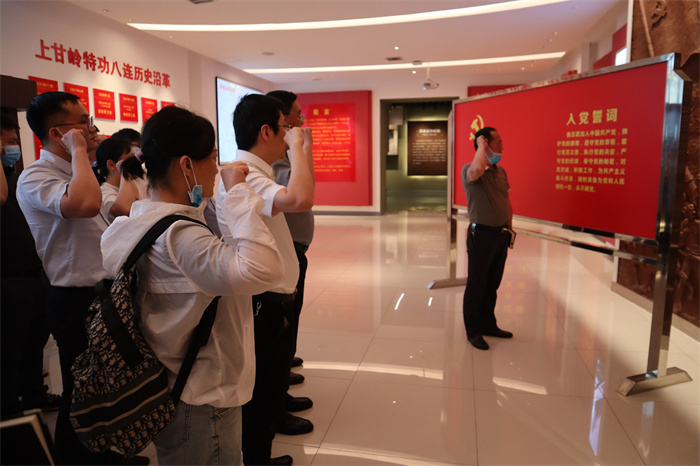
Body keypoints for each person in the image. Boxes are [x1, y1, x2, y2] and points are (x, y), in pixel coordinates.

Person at [101, 105, 283, 465]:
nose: (217, 168)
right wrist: (237, 192)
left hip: (171, 383)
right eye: (212, 158)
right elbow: (264, 269)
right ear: (187, 165)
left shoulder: (141, 221)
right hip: (201, 397)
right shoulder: (181, 236)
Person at [16, 92, 146, 465]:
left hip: (100, 292)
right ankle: (74, 459)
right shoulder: (36, 176)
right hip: (72, 297)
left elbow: (116, 211)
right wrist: (77, 151)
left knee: (102, 386)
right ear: (58, 132)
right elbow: (85, 205)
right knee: (80, 390)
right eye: (83, 122)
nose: (92, 129)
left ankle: (100, 453)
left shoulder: (80, 171)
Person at [216, 94, 314, 466]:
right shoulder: (248, 174)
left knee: (270, 386)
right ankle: (257, 458)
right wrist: (298, 147)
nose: (290, 132)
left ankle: (260, 454)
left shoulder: (254, 171)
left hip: (272, 296)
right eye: (285, 127)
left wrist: (299, 148)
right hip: (265, 300)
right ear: (266, 131)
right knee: (264, 390)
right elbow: (300, 198)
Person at [1, 116, 61, 417]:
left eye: (15, 141)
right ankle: (9, 411)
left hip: (34, 273)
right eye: (8, 142)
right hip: (7, 278)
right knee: (9, 352)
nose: (13, 148)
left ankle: (35, 395)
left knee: (35, 342)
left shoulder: (19, 179)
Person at [267, 90, 315, 433]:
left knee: (289, 324)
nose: (301, 119)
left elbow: (308, 190)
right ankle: (275, 400)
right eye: (296, 114)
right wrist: (300, 148)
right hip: (283, 254)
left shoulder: (285, 158)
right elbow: (300, 198)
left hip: (294, 250)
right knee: (280, 330)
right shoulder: (272, 166)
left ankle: (280, 382)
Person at [461, 126, 514, 351]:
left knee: (492, 284)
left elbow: (506, 202)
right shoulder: (471, 170)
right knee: (477, 284)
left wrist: (509, 229)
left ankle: (488, 324)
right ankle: (473, 331)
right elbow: (477, 169)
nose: (502, 146)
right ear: (484, 143)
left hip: (500, 235)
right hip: (481, 235)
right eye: (497, 142)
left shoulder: (501, 172)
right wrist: (481, 146)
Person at [95, 137, 143, 223]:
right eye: (130, 158)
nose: (134, 162)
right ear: (111, 165)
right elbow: (125, 211)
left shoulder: (137, 180)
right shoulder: (104, 193)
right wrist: (125, 172)